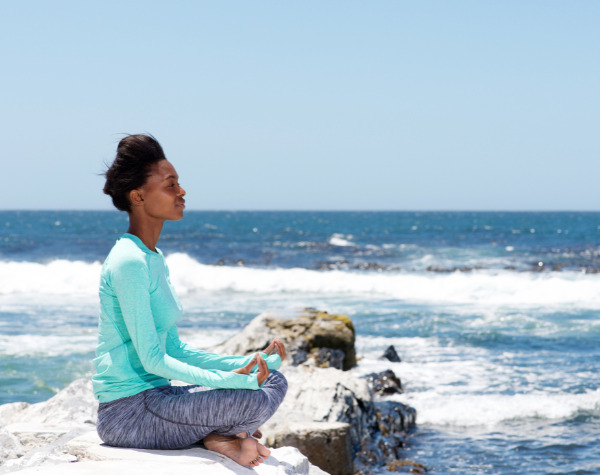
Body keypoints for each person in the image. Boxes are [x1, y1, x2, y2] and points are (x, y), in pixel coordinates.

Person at [92, 134, 287, 468]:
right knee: (251, 399)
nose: (182, 192)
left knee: (273, 380)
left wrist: (244, 362)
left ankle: (215, 436)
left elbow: (175, 349)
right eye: (171, 185)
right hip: (129, 413)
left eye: (178, 184)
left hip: (159, 398)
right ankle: (219, 436)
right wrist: (233, 381)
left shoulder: (151, 256)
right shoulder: (128, 262)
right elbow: (153, 360)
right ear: (138, 195)